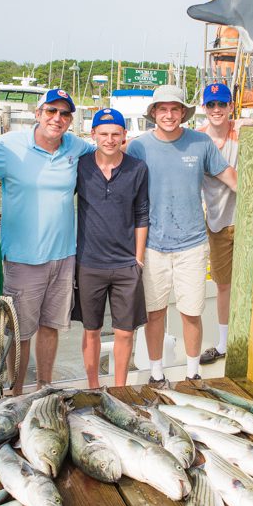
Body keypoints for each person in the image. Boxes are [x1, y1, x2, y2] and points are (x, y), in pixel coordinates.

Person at [0, 88, 93, 395]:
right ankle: (14, 393)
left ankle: (45, 386)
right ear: (37, 113)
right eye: (51, 111)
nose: (57, 119)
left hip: (63, 256)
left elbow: (110, 150)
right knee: (19, 332)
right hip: (22, 259)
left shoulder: (75, 146)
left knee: (51, 327)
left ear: (71, 120)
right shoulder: (8, 146)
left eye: (65, 114)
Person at [126, 85, 237, 386]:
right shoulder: (138, 147)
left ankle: (192, 372)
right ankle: (156, 373)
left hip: (192, 243)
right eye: (163, 109)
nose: (169, 115)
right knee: (155, 312)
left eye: (175, 109)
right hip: (152, 245)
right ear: (153, 113)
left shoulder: (200, 143)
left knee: (191, 312)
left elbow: (230, 177)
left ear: (183, 113)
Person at [75, 108, 149, 388]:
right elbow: (55, 197)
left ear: (124, 136)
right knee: (91, 330)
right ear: (93, 134)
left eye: (115, 134)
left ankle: (119, 390)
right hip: (89, 263)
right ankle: (93, 387)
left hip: (125, 265)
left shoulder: (137, 168)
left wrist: (138, 259)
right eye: (103, 134)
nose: (109, 139)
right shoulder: (81, 166)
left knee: (125, 332)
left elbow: (142, 214)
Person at [196, 83, 237, 365]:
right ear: (204, 108)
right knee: (223, 284)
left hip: (247, 218)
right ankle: (223, 344)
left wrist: (252, 119)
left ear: (231, 107)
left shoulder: (244, 132)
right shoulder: (197, 138)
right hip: (217, 222)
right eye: (211, 105)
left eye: (222, 104)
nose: (216, 110)